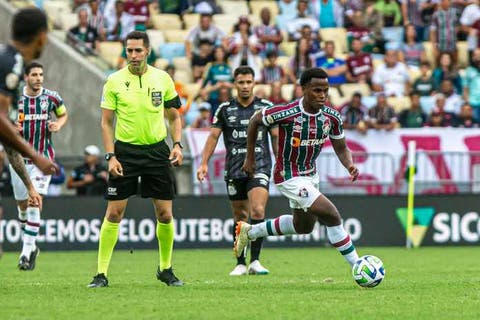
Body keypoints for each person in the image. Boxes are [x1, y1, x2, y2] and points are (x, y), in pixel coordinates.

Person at [238, 68, 361, 279]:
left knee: (302, 227)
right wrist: (250, 157)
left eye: (325, 90)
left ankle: (250, 232)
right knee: (332, 214)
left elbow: (341, 147)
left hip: (310, 176)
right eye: (316, 90)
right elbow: (255, 121)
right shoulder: (286, 113)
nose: (322, 95)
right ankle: (358, 266)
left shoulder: (331, 116)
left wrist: (349, 164)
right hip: (288, 175)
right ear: (303, 89)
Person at [88, 31, 184, 288]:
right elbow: (106, 123)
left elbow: (174, 117)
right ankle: (101, 274)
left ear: (148, 51)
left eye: (137, 50)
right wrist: (111, 156)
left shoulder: (162, 79)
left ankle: (165, 269)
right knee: (114, 213)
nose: (132, 55)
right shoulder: (114, 81)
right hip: (125, 154)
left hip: (157, 152)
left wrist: (176, 144)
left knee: (165, 215)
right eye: (129, 50)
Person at [196, 66, 278, 276]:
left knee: (258, 210)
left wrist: (282, 163)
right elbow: (213, 137)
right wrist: (204, 163)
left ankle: (256, 261)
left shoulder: (266, 107)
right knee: (240, 216)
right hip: (234, 168)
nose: (245, 86)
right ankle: (241, 262)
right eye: (241, 82)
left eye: (248, 82)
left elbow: (276, 136)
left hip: (260, 165)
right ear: (235, 84)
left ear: (254, 83)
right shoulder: (224, 109)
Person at [0, 8, 57, 220]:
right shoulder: (11, 64)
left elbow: (7, 139)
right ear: (41, 36)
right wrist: (35, 156)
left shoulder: (10, 62)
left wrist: (29, 186)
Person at [12, 62, 68, 270]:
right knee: (23, 207)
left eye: (41, 74)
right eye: (34, 74)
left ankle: (25, 253)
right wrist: (10, 125)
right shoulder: (15, 98)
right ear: (26, 77)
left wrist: (58, 124)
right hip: (17, 160)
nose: (38, 78)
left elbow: (63, 114)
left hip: (42, 159)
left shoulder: (52, 97)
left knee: (34, 201)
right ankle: (32, 246)